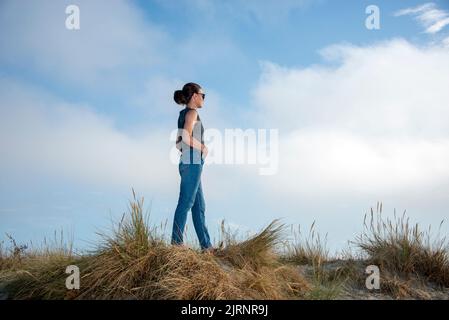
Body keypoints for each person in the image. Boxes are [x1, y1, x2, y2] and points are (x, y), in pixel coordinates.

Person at [171, 82, 216, 254]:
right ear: (195, 96)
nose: (204, 99)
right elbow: (185, 137)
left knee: (199, 206)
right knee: (186, 202)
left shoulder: (183, 114)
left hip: (189, 161)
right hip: (192, 162)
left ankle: (207, 247)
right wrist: (203, 147)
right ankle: (176, 243)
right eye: (203, 95)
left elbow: (177, 144)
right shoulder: (192, 112)